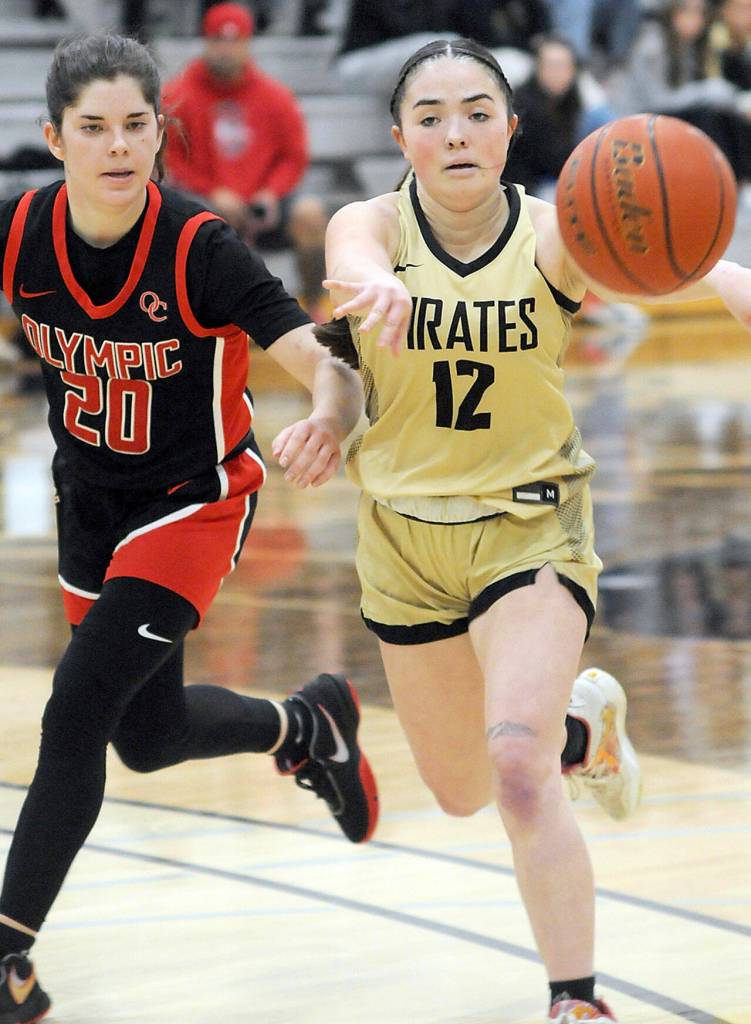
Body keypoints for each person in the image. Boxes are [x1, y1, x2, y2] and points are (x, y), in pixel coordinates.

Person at [314, 36, 751, 1022]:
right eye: (430, 117)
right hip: (404, 543)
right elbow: (349, 259)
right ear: (400, 138)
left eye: (476, 112)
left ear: (512, 131)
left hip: (531, 530)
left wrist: (729, 280)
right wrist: (364, 288)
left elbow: (671, 254)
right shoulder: (371, 225)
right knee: (466, 788)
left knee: (514, 775)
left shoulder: (557, 232)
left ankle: (575, 999)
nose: (454, 132)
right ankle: (577, 727)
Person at [0, 32, 378, 1023]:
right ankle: (307, 724)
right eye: (94, 129)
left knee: (74, 711)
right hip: (88, 504)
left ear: (160, 134)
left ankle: (6, 955)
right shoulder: (18, 230)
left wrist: (328, 414)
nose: (119, 146)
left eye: (137, 125)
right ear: (54, 138)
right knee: (146, 736)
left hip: (192, 502)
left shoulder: (198, 246)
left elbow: (320, 357)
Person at [162, 2, 330, 318]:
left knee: (310, 214)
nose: (226, 50)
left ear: (248, 44)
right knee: (192, 220)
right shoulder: (177, 94)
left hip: (261, 203)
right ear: (206, 42)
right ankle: (204, 317)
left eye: (234, 41)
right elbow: (169, 159)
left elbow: (293, 157)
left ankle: (316, 306)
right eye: (218, 41)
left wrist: (271, 191)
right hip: (205, 203)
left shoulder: (276, 96)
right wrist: (210, 192)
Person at [614, 0, 751, 184]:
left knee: (728, 118)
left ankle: (738, 184)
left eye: (699, 12)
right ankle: (716, 181)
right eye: (687, 10)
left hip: (667, 114)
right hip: (637, 119)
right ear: (672, 11)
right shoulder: (653, 42)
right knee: (707, 117)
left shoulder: (689, 45)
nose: (694, 19)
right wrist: (708, 91)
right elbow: (657, 100)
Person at [503, 35, 615, 201]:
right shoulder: (524, 105)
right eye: (551, 66)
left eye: (563, 66)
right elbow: (555, 162)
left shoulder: (571, 102)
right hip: (525, 188)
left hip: (551, 177)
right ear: (538, 68)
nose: (557, 73)